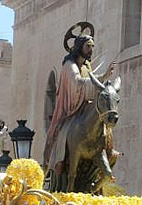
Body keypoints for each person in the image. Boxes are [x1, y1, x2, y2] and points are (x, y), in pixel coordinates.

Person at [43, 34, 115, 183]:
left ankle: (108, 150)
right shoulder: (69, 65)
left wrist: (103, 79)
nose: (91, 50)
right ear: (79, 47)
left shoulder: (86, 66)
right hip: (70, 110)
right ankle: (61, 163)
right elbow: (78, 85)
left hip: (85, 107)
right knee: (65, 134)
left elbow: (93, 85)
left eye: (93, 47)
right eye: (88, 46)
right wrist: (103, 76)